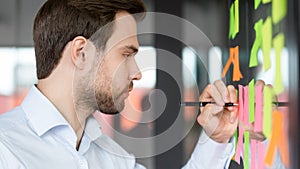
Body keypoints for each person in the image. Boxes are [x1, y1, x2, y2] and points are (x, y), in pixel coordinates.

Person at [0, 0, 240, 168]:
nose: (137, 73)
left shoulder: (111, 157)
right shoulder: (5, 149)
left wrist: (216, 138)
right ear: (82, 53)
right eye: (126, 54)